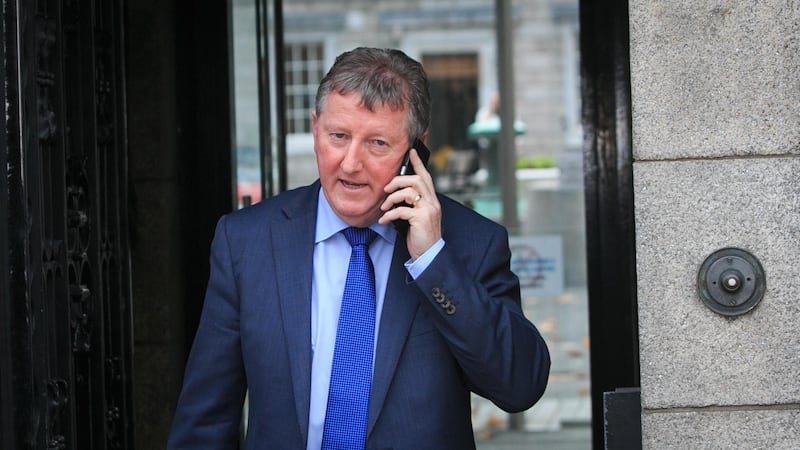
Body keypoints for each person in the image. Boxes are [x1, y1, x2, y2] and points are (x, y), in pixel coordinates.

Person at [167, 47, 550, 450]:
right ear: (315, 129)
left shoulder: (471, 244)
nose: (351, 163)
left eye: (378, 143)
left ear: (416, 151)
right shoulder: (246, 241)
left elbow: (520, 386)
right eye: (339, 136)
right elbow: (204, 423)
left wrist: (433, 260)